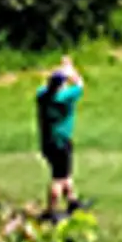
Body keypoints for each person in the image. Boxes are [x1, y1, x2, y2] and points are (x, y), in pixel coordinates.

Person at [35, 52, 83, 219]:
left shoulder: (42, 96)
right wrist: (71, 69)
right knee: (58, 178)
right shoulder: (65, 98)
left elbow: (49, 83)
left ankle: (73, 202)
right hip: (61, 142)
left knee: (65, 172)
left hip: (47, 142)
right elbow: (79, 84)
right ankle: (51, 211)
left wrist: (62, 69)